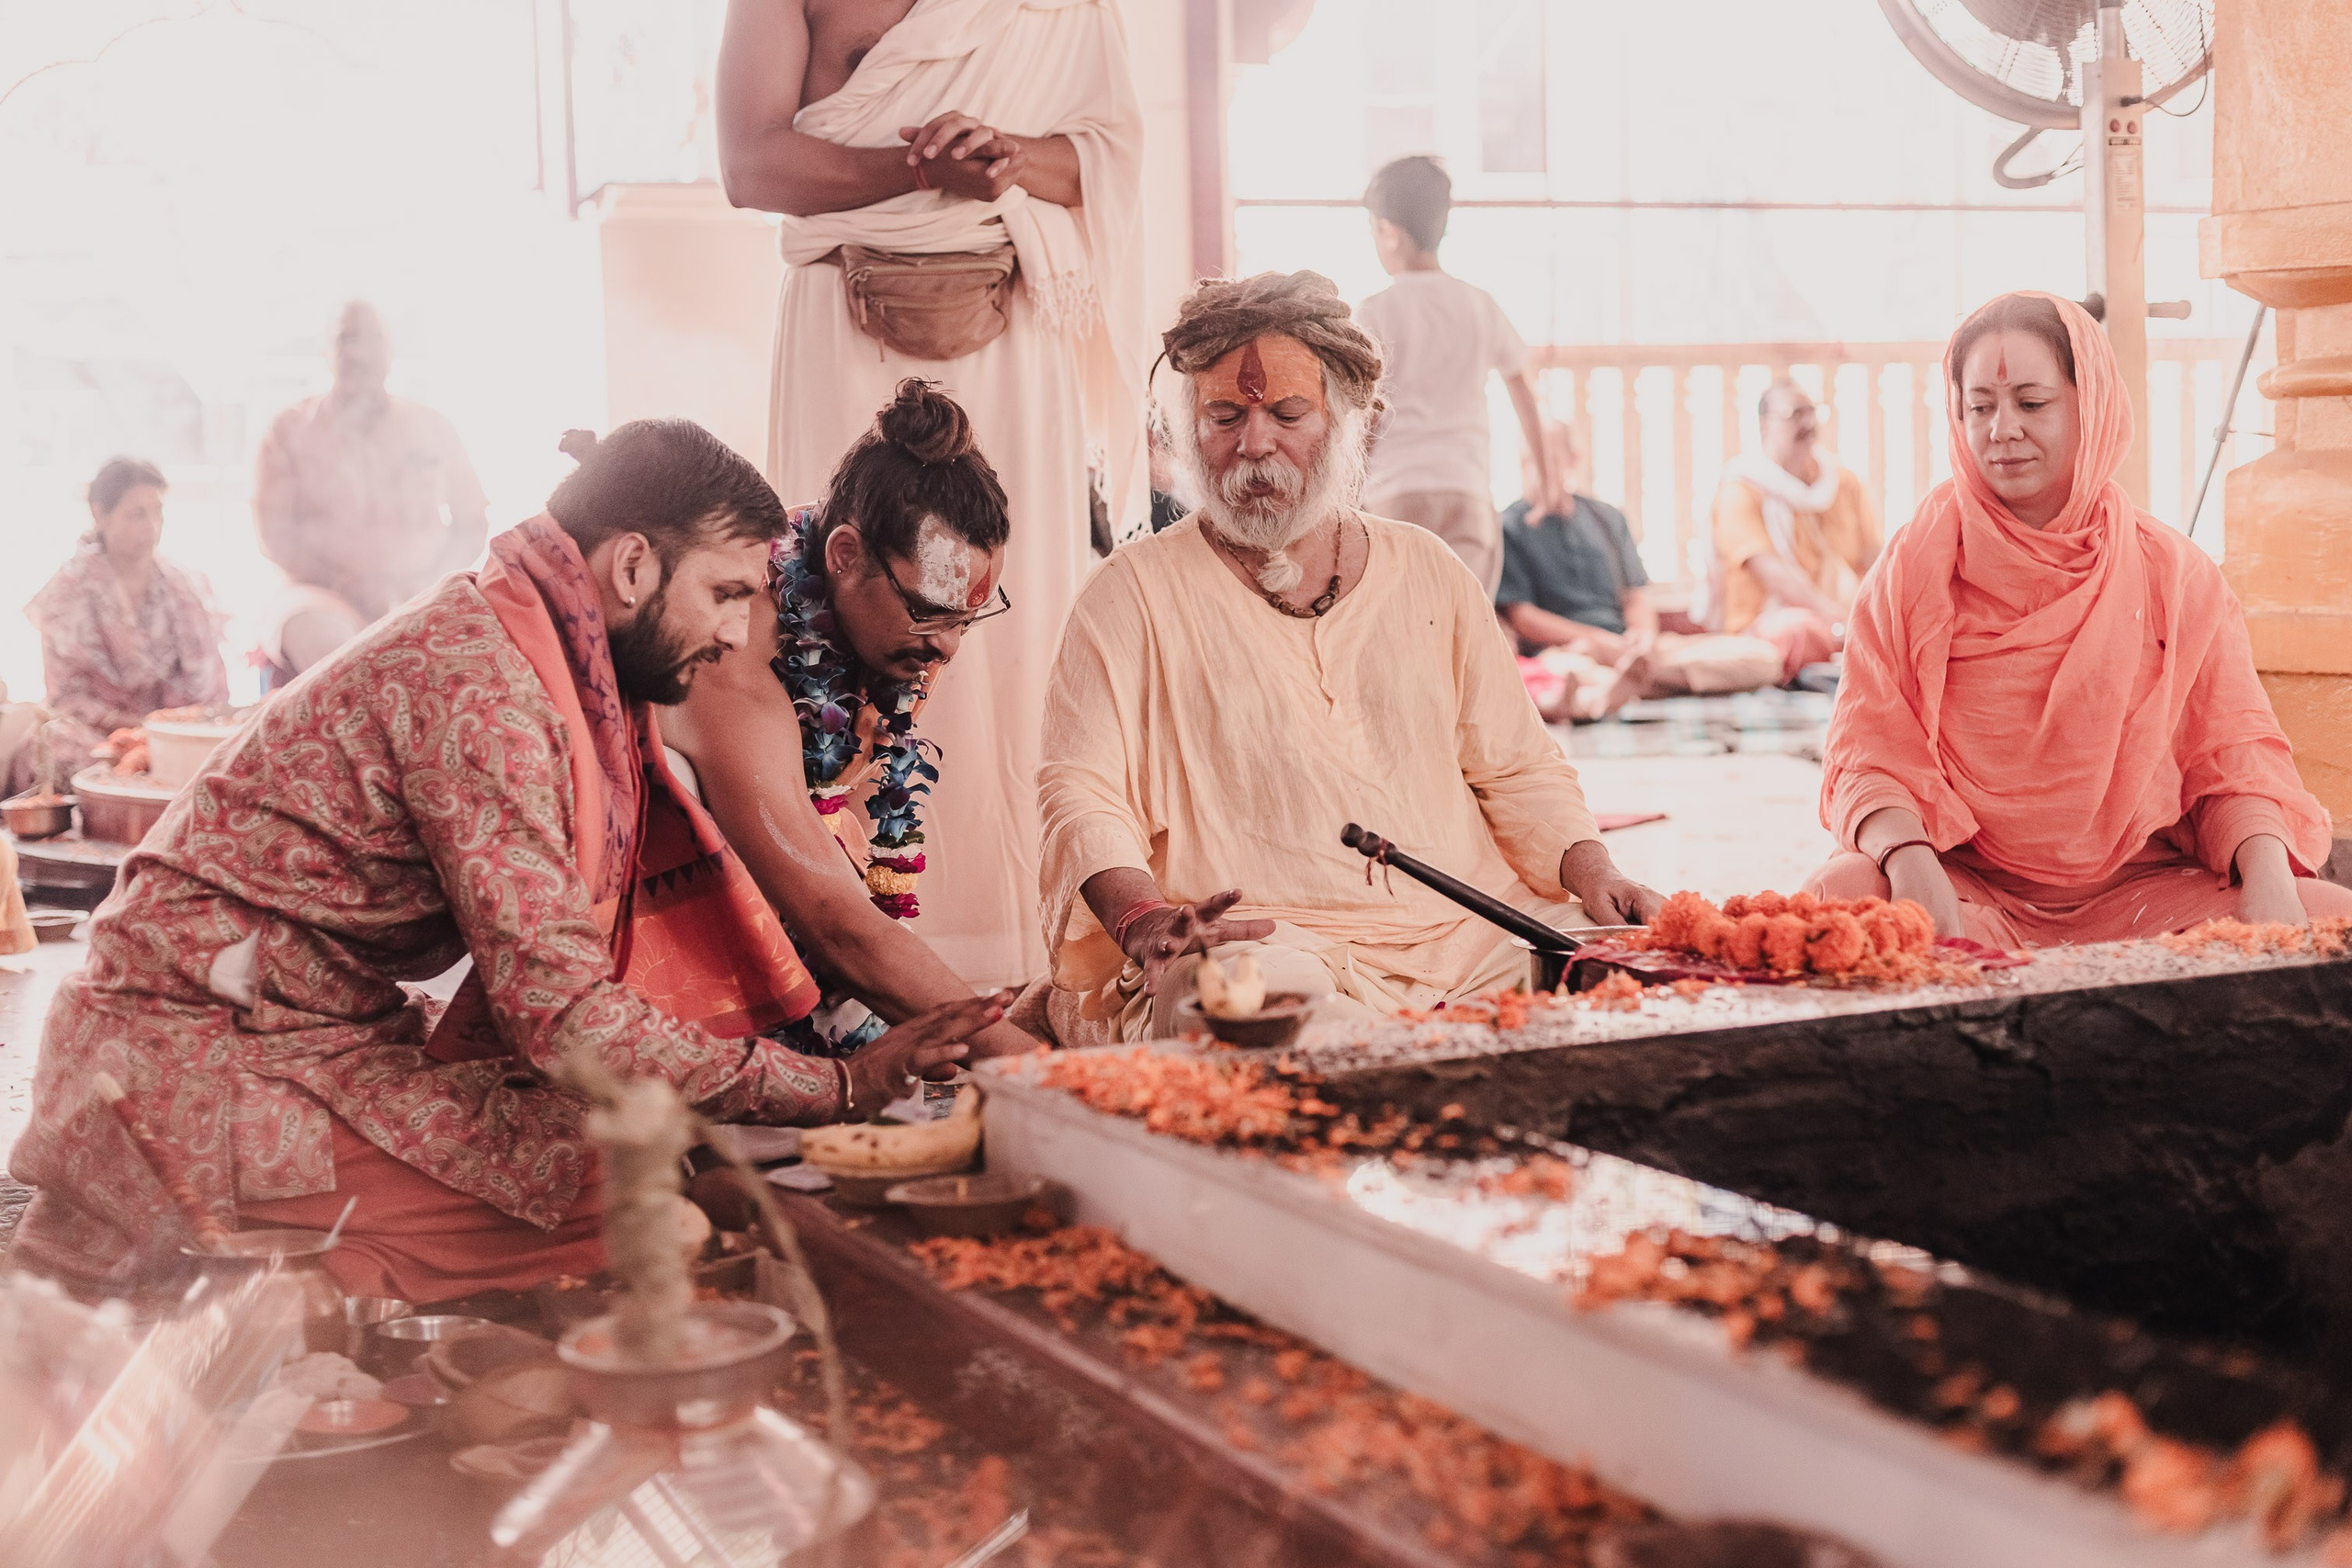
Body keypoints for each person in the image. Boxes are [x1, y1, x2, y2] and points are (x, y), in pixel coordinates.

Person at [8, 420, 1007, 1303]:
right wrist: (833, 1088)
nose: (738, 630)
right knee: (614, 1195)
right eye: (723, 593)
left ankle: (318, 1295)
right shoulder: (490, 694)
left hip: (289, 1028)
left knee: (615, 1151)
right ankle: (265, 1321)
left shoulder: (529, 641)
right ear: (629, 570)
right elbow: (563, 1019)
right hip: (177, 1065)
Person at [1035, 273, 1661, 1043]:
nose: (1254, 444)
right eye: (1224, 415)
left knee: (1647, 984)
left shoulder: (1428, 568)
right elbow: (1080, 790)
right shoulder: (1128, 592)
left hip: (1469, 933)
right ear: (1188, 430)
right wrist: (1140, 915)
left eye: (1288, 414)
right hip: (1270, 946)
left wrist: (1595, 872)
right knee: (1247, 1018)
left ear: (1346, 423)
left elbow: (1518, 765)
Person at [717, 0, 1148, 990]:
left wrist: (1002, 153)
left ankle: (1019, 940)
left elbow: (1099, 162)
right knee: (843, 613)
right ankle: (847, 943)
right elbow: (750, 168)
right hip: (845, 321)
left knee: (1012, 627)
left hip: (1013, 331)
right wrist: (917, 170)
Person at [1808, 291, 2352, 946]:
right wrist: (1911, 862)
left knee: (2327, 914)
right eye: (1979, 407)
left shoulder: (2173, 574)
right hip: (1969, 885)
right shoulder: (1912, 568)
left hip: (2147, 891)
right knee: (1843, 897)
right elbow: (1869, 754)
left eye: (2031, 404)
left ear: (2086, 404)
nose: (2001, 429)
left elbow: (2231, 757)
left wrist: (2268, 876)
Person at [663, 380, 1043, 1064]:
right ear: (843, 555)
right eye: (930, 613)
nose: (949, 646)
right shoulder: (733, 643)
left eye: (966, 619)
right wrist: (1045, 1073)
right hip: (678, 972)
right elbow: (834, 924)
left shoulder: (889, 615)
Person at [253, 300, 490, 679]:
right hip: (322, 595)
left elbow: (472, 524)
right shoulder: (288, 430)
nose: (358, 353)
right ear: (325, 354)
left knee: (482, 637)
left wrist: (427, 582)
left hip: (422, 590)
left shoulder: (433, 427)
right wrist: (346, 584)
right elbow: (274, 535)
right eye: (346, 339)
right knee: (321, 634)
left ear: (390, 352)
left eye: (371, 339)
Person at [1355, 155, 1556, 597]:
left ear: (1388, 232)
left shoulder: (1375, 311)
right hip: (1467, 491)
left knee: (1399, 632)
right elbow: (1523, 388)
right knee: (1463, 636)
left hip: (1396, 494)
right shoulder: (1478, 304)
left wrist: (1351, 487)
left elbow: (1367, 413)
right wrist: (1547, 477)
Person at [1498, 423, 1781, 721]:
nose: (1537, 470)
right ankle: (1653, 683)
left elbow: (1635, 596)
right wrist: (1595, 642)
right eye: (1529, 461)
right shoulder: (1508, 527)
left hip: (1627, 646)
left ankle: (1640, 680)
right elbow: (1523, 617)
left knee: (1762, 659)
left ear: (1573, 459)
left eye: (1548, 460)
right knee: (1565, 677)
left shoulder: (1606, 518)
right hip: (1568, 651)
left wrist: (1642, 639)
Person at [11, 457, 229, 794]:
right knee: (52, 743)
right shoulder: (69, 590)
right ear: (101, 514)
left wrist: (173, 729)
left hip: (177, 735)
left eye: (157, 512)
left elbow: (208, 688)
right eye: (137, 514)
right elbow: (67, 697)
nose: (151, 526)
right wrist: (136, 730)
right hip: (101, 736)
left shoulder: (183, 586)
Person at [1708, 379, 1882, 682]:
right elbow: (1773, 573)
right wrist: (1839, 621)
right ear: (1764, 426)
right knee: (1797, 631)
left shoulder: (1842, 482)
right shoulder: (1741, 488)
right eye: (1794, 414)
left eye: (1811, 412)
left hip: (1843, 618)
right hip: (1770, 622)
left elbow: (1875, 559)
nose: (1807, 423)